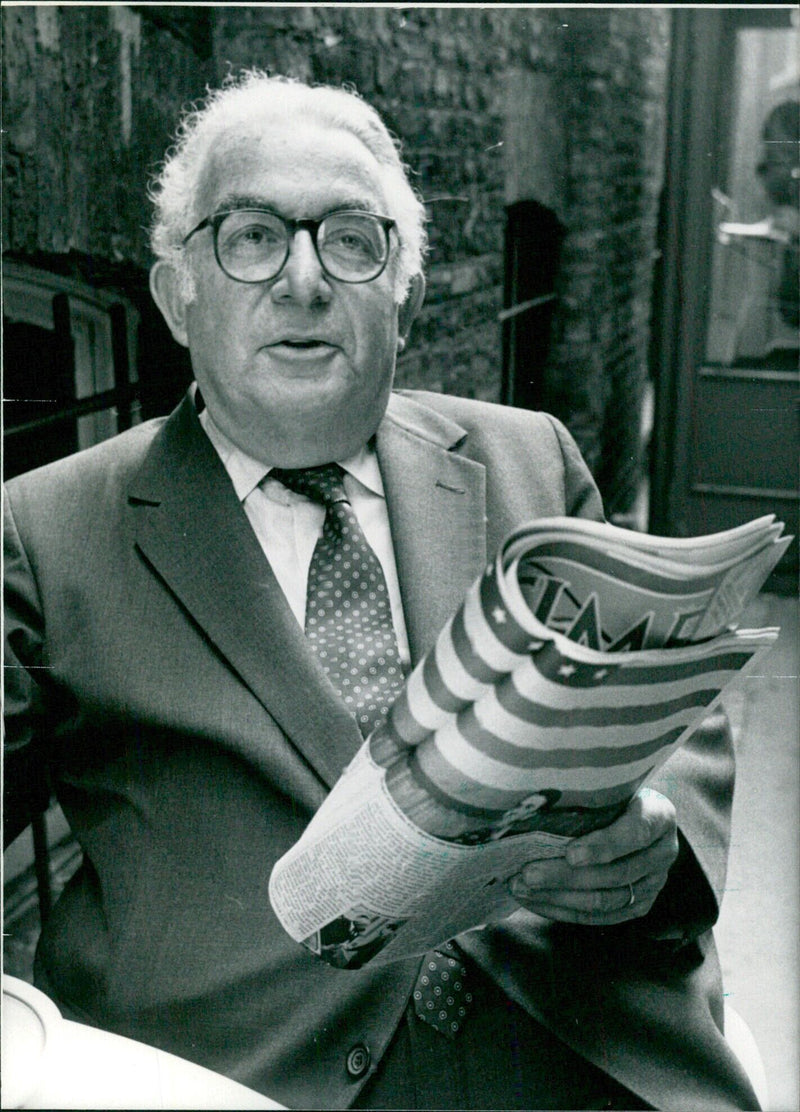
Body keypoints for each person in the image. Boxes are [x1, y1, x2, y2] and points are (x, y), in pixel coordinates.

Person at [3, 72, 759, 1110]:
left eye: (352, 239)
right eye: (252, 235)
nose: (304, 280)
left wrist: (654, 839)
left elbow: (665, 688)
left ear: (401, 288)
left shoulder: (524, 457)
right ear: (177, 294)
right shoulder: (44, 530)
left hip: (569, 1039)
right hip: (236, 1073)